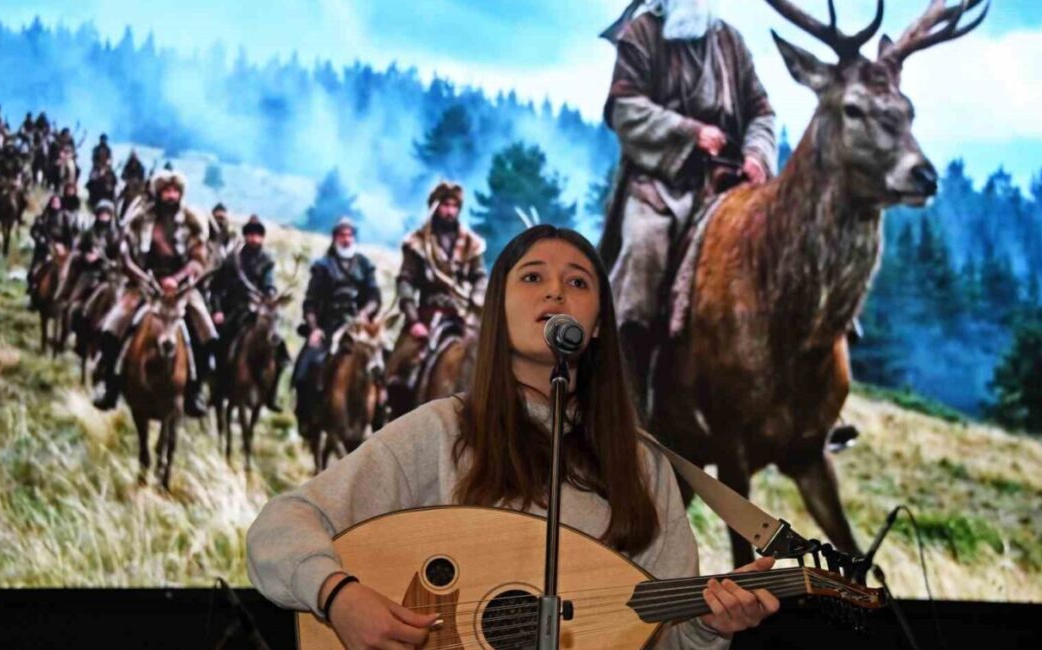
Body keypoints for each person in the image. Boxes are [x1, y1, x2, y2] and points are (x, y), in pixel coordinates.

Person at [247, 225, 780, 649]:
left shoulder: (642, 464)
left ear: (596, 328)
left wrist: (709, 628)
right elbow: (280, 525)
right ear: (498, 313)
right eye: (531, 278)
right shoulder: (439, 431)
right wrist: (338, 596)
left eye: (578, 282)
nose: (555, 290)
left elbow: (657, 640)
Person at [598, 0, 776, 404]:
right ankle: (625, 396)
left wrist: (756, 155)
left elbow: (761, 112)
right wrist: (689, 132)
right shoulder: (641, 33)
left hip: (728, 185)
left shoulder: (730, 40)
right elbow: (626, 110)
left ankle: (805, 409)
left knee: (779, 258)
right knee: (643, 254)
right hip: (659, 184)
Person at [90, 168, 216, 416]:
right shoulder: (140, 219)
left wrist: (177, 279)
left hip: (180, 288)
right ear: (158, 193)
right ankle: (109, 384)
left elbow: (198, 259)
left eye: (175, 191)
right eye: (166, 191)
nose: (171, 195)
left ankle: (195, 389)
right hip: (144, 285)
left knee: (205, 328)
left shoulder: (191, 223)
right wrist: (140, 275)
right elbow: (126, 256)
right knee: (114, 324)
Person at [385, 181, 487, 417]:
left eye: (454, 206)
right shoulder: (418, 242)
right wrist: (413, 321)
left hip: (461, 315)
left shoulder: (471, 243)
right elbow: (406, 282)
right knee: (401, 368)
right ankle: (396, 417)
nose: (449, 211)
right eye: (445, 205)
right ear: (435, 207)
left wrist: (477, 298)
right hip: (427, 314)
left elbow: (480, 276)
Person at [293, 217, 382, 423]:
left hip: (359, 327)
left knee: (379, 364)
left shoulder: (364, 265)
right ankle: (307, 415)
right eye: (342, 235)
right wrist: (314, 329)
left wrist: (365, 313)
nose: (346, 239)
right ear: (334, 238)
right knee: (306, 366)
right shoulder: (322, 266)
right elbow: (310, 302)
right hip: (328, 326)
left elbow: (374, 297)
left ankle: (379, 418)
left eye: (350, 235)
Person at [210, 215, 288, 411]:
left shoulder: (267, 260)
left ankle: (271, 394)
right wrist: (218, 310)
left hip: (261, 309)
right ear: (245, 236)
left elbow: (269, 283)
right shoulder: (232, 260)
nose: (254, 238)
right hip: (235, 310)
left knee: (280, 351)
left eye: (257, 235)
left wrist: (269, 295)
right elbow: (216, 288)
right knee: (221, 344)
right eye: (251, 234)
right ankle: (218, 390)